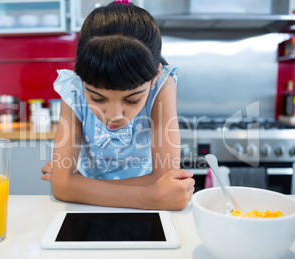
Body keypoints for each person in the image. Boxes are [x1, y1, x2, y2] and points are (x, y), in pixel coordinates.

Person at [41, 0, 195, 211]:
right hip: (93, 210)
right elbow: (62, 188)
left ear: (154, 77)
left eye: (132, 100)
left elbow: (164, 177)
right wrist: (151, 196)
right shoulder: (74, 87)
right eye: (97, 98)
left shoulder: (162, 85)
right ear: (80, 77)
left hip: (108, 207)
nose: (114, 116)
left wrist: (76, 185)